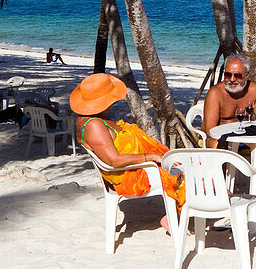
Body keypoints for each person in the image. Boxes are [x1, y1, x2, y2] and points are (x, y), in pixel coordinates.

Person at [72, 73, 184, 230]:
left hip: (133, 167)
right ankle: (176, 217)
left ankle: (218, 199)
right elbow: (113, 160)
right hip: (131, 175)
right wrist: (149, 156)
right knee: (184, 170)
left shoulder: (91, 117)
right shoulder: (93, 125)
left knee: (185, 163)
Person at [203, 54, 256, 148]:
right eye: (228, 75)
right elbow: (210, 131)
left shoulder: (255, 90)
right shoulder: (215, 93)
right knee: (217, 144)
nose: (232, 79)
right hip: (222, 138)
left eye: (237, 76)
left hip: (246, 138)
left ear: (246, 75)